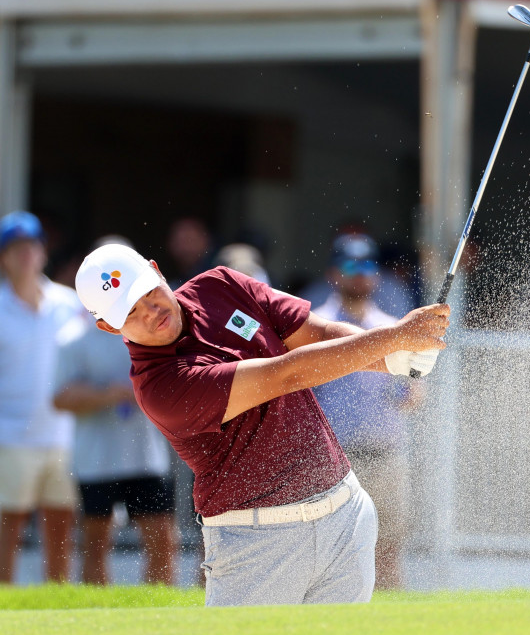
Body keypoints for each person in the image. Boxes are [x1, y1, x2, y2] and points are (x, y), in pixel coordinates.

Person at [73, 243, 448, 605]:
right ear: (108, 326)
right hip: (254, 542)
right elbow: (287, 373)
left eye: (148, 292)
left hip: (344, 515)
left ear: (155, 270)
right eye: (131, 312)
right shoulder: (160, 386)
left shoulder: (219, 284)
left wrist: (396, 360)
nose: (151, 311)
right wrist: (395, 339)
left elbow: (316, 335)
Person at [54, 237, 178, 586]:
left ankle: (160, 617)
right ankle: (97, 619)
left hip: (145, 456)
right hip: (96, 459)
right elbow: (60, 397)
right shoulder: (73, 337)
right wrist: (110, 394)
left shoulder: (157, 327)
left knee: (161, 542)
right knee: (95, 545)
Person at [311, 240, 419, 589]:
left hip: (386, 454)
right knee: (331, 548)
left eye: (366, 267)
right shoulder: (316, 325)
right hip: (333, 458)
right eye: (350, 267)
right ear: (333, 273)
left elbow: (414, 394)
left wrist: (411, 386)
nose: (359, 275)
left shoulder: (391, 327)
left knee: (388, 545)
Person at [0, 211, 83, 583]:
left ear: (43, 252)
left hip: (64, 436)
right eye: (16, 249)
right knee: (8, 529)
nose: (25, 256)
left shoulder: (68, 303)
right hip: (10, 435)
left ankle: (57, 609)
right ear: (4, 257)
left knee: (61, 529)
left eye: (31, 247)